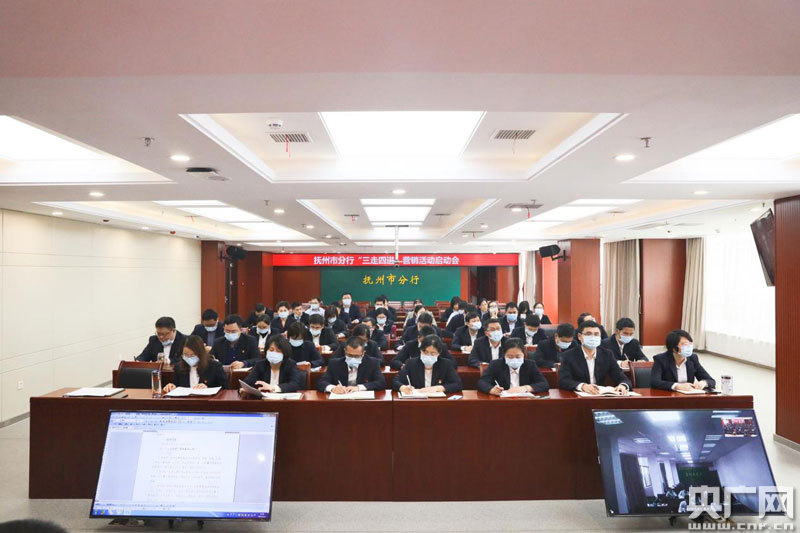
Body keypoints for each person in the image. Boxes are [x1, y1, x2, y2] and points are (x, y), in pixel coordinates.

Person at [558, 320, 631, 394]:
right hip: (577, 396)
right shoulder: (568, 355)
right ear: (580, 336)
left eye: (596, 334)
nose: (593, 337)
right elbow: (563, 380)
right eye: (588, 334)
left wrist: (623, 385)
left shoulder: (607, 354)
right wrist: (582, 386)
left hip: (600, 395)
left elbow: (621, 377)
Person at [477, 338, 549, 395]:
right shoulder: (495, 364)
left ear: (523, 355)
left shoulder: (530, 365)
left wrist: (526, 388)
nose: (514, 359)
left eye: (518, 356)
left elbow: (544, 384)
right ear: (504, 355)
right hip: (502, 402)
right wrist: (492, 389)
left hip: (525, 401)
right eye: (510, 357)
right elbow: (482, 382)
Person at [393, 335, 462, 394]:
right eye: (425, 352)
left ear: (439, 353)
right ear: (420, 350)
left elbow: (458, 384)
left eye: (433, 353)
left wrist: (439, 388)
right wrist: (402, 387)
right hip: (417, 401)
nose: (428, 355)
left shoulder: (446, 364)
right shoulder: (411, 363)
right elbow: (396, 381)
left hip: (438, 401)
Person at [651, 330, 716, 391]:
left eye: (690, 344)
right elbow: (655, 382)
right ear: (674, 348)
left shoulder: (693, 358)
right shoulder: (661, 359)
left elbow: (711, 381)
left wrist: (704, 383)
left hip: (688, 396)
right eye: (685, 344)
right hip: (668, 396)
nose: (689, 347)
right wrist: (676, 386)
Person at [318, 336, 386, 393]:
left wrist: (358, 388)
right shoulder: (334, 363)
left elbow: (381, 383)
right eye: (349, 355)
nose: (353, 358)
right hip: (341, 399)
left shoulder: (373, 363)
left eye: (356, 356)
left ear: (363, 353)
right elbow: (321, 382)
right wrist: (333, 388)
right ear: (345, 351)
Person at [163, 334, 228, 393]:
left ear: (201, 353)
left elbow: (225, 389)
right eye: (185, 355)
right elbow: (177, 385)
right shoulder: (179, 367)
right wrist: (172, 386)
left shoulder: (215, 366)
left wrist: (208, 388)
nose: (189, 358)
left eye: (192, 355)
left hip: (207, 401)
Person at [389, 325, 458, 369]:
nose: (426, 345)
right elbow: (394, 361)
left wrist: (438, 366)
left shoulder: (440, 346)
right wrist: (404, 366)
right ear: (418, 338)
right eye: (424, 342)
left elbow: (454, 363)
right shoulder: (410, 345)